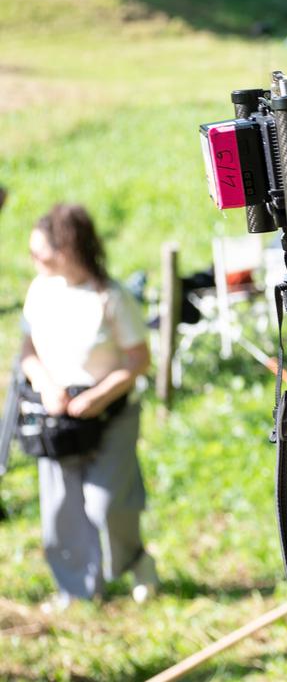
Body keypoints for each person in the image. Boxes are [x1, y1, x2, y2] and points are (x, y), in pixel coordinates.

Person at [19, 204, 158, 610]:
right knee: (61, 507)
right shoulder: (40, 290)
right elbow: (27, 351)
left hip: (111, 414)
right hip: (56, 415)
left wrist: (97, 397)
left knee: (107, 503)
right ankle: (77, 590)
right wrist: (45, 387)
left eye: (41, 253)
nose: (34, 261)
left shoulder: (110, 297)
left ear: (69, 250)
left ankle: (135, 561)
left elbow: (138, 359)